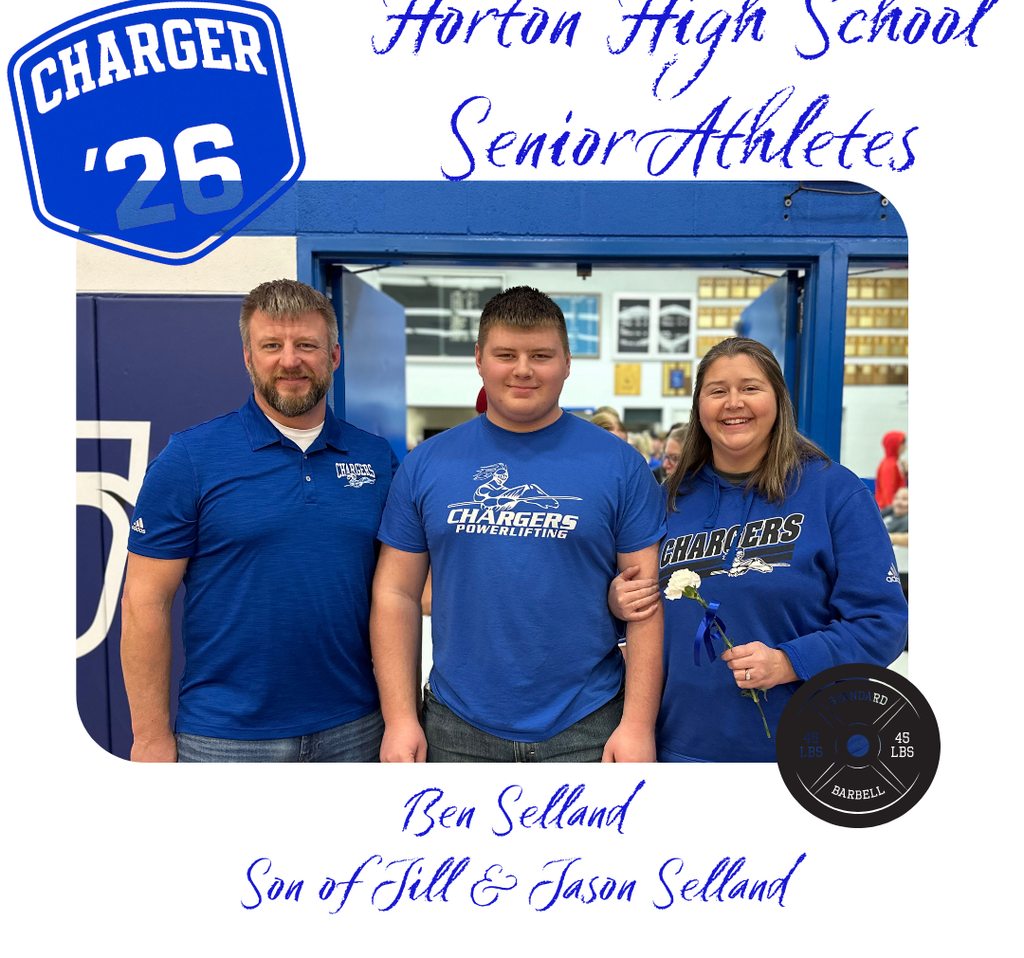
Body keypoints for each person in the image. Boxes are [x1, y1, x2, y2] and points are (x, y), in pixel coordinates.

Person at [370, 286, 665, 763]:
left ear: (567, 361)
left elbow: (645, 602)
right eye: (506, 354)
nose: (523, 369)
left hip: (589, 724)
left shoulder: (621, 465)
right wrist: (401, 718)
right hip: (456, 725)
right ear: (479, 360)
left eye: (541, 355)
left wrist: (637, 724)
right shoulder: (426, 465)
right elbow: (396, 594)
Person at [120, 280, 398, 762]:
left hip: (356, 730)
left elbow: (403, 589)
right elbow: (145, 602)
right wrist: (149, 737)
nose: (290, 360)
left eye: (306, 345)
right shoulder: (190, 458)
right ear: (249, 358)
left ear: (333, 357)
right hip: (224, 739)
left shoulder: (375, 458)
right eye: (272, 345)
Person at [610, 337, 907, 762]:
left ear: (778, 400)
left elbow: (884, 623)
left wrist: (790, 661)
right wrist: (616, 601)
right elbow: (636, 616)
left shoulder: (833, 491)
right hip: (680, 751)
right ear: (699, 408)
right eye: (717, 391)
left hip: (804, 755)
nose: (734, 403)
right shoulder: (667, 500)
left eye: (750, 388)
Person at [880, 486, 909, 600]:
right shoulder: (888, 513)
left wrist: (883, 537)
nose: (899, 502)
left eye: (905, 499)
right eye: (897, 498)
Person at [875, 430, 907, 508]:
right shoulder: (889, 465)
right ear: (894, 444)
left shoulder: (895, 463)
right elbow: (888, 493)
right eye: (902, 443)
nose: (905, 446)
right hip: (888, 509)